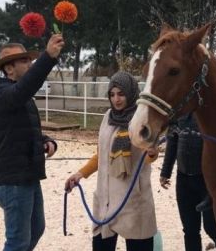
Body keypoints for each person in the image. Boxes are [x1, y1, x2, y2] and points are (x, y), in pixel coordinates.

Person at [0, 34, 65, 251]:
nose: (30, 64)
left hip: (28, 175)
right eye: (25, 61)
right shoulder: (0, 93)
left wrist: (46, 140)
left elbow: (26, 130)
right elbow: (21, 91)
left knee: (36, 229)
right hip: (14, 181)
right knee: (17, 242)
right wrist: (48, 57)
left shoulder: (19, 95)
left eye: (30, 60)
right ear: (9, 69)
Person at [65, 71, 159, 251]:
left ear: (131, 93)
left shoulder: (141, 119)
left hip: (132, 199)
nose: (116, 99)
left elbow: (147, 157)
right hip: (106, 199)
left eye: (121, 94)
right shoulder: (108, 117)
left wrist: (152, 152)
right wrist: (80, 174)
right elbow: (102, 155)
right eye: (112, 94)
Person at [159, 114, 216, 251]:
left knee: (212, 227)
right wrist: (166, 171)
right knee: (190, 230)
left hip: (207, 180)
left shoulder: (209, 114)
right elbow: (172, 141)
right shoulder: (178, 115)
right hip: (183, 179)